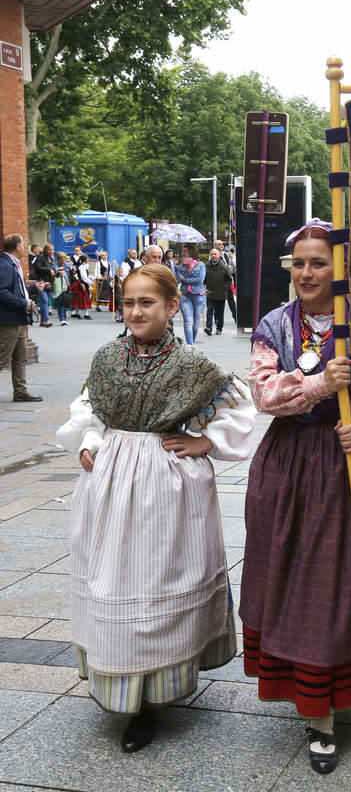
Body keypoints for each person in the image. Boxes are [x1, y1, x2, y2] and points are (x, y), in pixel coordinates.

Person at [240, 220, 351, 775]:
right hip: (289, 468)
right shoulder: (274, 325)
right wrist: (323, 384)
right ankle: (308, 698)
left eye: (318, 263)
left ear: (341, 268)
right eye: (298, 264)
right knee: (295, 582)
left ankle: (328, 703)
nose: (305, 274)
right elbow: (265, 395)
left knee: (335, 586)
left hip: (350, 473)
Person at [55, 263, 255, 753]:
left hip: (167, 482)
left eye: (147, 302)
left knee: (158, 579)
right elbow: (89, 407)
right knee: (114, 577)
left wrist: (205, 441)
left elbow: (237, 409)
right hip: (110, 482)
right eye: (128, 302)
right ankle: (124, 686)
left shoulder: (192, 364)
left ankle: (152, 696)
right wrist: (88, 438)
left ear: (171, 306)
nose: (136, 311)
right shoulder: (106, 358)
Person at [0, 234, 44, 402]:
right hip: (8, 320)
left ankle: (20, 392)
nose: (24, 247)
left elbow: (16, 289)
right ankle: (20, 391)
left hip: (17, 319)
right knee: (2, 357)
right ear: (17, 246)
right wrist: (23, 303)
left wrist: (32, 290)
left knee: (20, 357)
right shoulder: (4, 264)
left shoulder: (12, 263)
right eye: (23, 244)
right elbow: (2, 292)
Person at [174, 250, 206, 345]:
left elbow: (200, 280)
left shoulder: (200, 265)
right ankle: (190, 345)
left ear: (192, 253)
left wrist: (185, 279)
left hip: (199, 296)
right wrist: (176, 269)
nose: (183, 253)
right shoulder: (181, 266)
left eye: (186, 252)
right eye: (183, 252)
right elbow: (178, 281)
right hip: (185, 296)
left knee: (196, 323)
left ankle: (192, 341)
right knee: (188, 321)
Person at [204, 247, 233, 336]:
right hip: (210, 293)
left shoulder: (223, 267)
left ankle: (219, 328)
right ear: (210, 255)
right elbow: (203, 279)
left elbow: (229, 279)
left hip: (221, 294)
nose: (213, 256)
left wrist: (224, 288)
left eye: (215, 254)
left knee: (219, 313)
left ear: (219, 255)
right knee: (209, 311)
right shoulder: (206, 266)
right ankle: (208, 327)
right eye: (212, 254)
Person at [29, 242, 55, 327]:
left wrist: (57, 272)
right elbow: (37, 267)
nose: (51, 251)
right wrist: (48, 270)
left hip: (49, 283)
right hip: (41, 282)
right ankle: (46, 320)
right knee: (44, 301)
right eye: (49, 249)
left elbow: (53, 269)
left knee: (46, 302)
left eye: (52, 249)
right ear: (45, 250)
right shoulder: (41, 257)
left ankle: (43, 321)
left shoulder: (51, 258)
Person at [70, 253, 93, 319]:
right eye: (87, 259)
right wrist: (91, 282)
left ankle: (75, 313)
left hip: (80, 284)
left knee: (80, 299)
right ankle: (86, 314)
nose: (88, 260)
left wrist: (93, 278)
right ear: (85, 260)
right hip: (81, 284)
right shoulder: (82, 267)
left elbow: (87, 275)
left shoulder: (83, 266)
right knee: (85, 298)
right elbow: (84, 277)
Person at [53, 252, 74, 325]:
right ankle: (62, 319)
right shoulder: (55, 265)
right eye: (62, 260)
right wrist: (58, 270)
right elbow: (54, 271)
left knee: (65, 302)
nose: (64, 261)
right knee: (60, 302)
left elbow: (74, 268)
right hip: (58, 286)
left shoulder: (66, 265)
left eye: (64, 259)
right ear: (58, 260)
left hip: (66, 286)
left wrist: (71, 268)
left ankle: (64, 318)